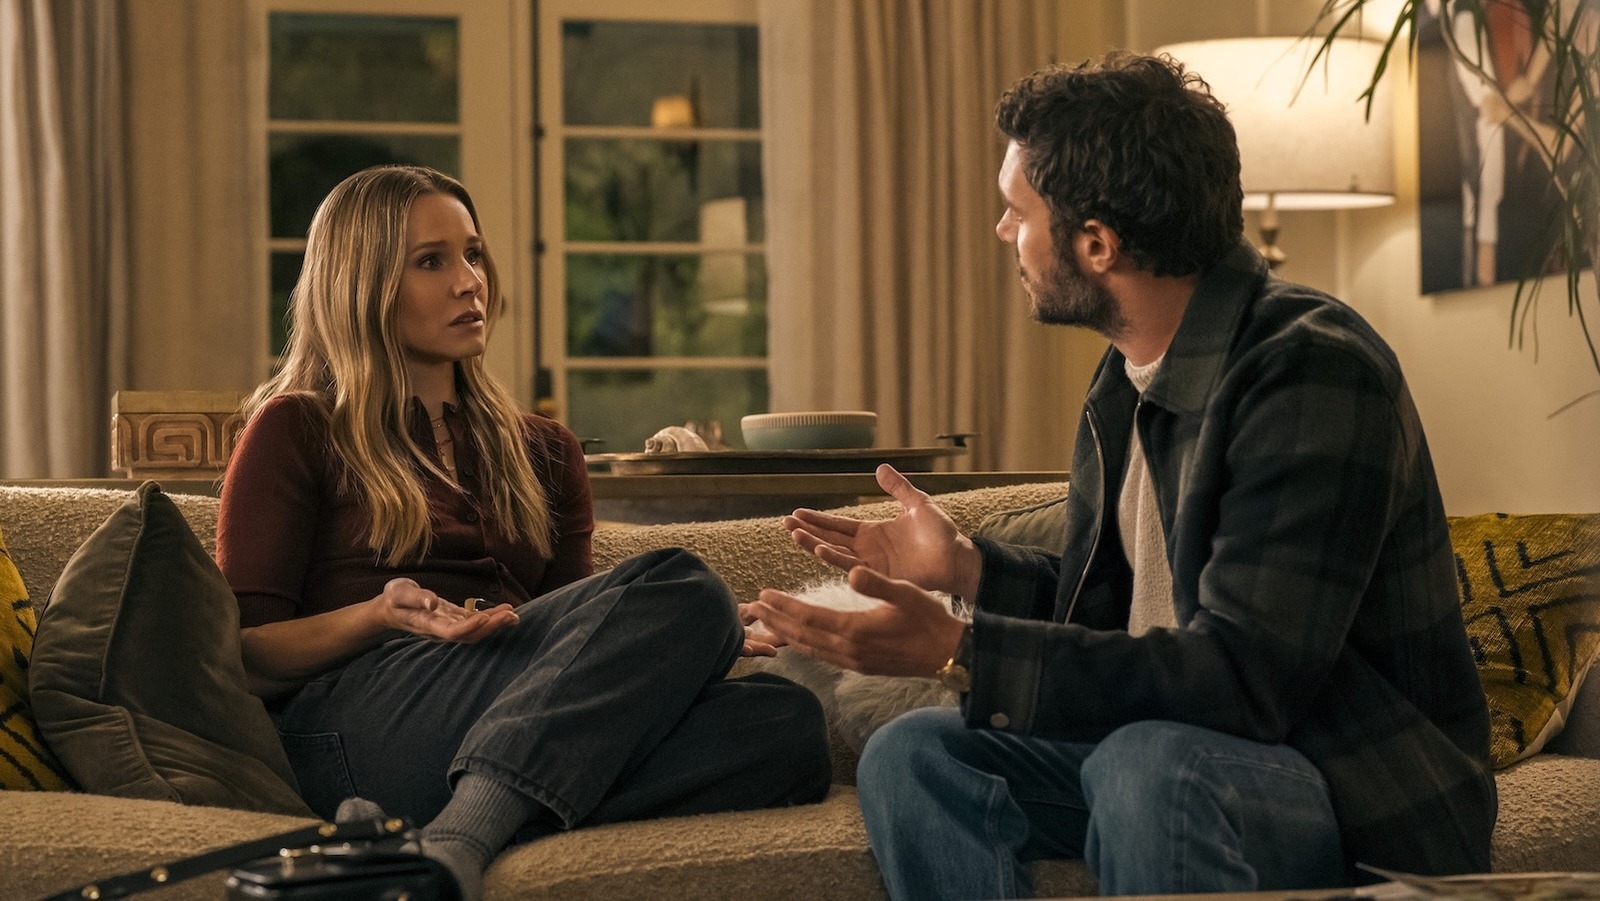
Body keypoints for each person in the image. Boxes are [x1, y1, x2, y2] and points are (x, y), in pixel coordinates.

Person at [747, 52, 1496, 898]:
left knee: (1147, 762)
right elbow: (1120, 611)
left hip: (1350, 783)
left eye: (1017, 211)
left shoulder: (1312, 372)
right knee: (915, 754)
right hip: (1186, 750)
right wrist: (967, 569)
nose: (1002, 231)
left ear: (1097, 244)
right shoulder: (1126, 375)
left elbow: (1246, 681)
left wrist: (963, 650)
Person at [217, 164, 830, 900]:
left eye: (473, 254)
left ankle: (448, 822)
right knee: (684, 583)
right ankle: (462, 839)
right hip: (356, 726)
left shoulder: (545, 449)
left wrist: (683, 642)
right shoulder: (296, 427)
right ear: (361, 286)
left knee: (786, 723)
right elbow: (248, 659)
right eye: (431, 261)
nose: (469, 282)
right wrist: (378, 615)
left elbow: (574, 650)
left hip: (496, 713)